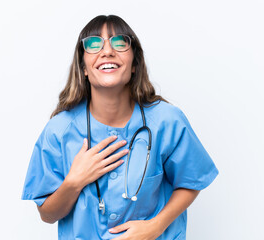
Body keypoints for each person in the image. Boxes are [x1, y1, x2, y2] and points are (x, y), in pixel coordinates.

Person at [22, 15, 219, 240]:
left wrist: (156, 226)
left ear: (134, 64)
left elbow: (191, 180)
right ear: (83, 68)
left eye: (119, 43)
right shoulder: (59, 131)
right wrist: (74, 181)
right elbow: (47, 214)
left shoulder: (167, 120)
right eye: (94, 44)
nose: (107, 51)